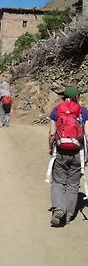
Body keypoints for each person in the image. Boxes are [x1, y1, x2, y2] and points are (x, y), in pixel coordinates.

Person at [48, 86, 88, 227]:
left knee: (58, 181)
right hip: (78, 152)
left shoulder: (56, 110)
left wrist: (50, 148)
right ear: (77, 97)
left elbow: (52, 134)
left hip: (60, 151)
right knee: (72, 185)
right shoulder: (83, 111)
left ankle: (59, 209)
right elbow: (87, 135)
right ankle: (69, 216)